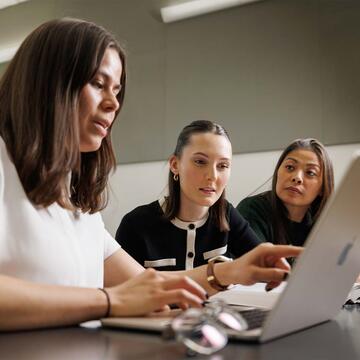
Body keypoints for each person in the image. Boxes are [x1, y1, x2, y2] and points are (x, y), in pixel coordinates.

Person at [0, 18, 302, 331]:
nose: (114, 103)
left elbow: (148, 286)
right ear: (48, 81)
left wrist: (230, 272)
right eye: (99, 84)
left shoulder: (76, 200)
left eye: (117, 90)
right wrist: (109, 301)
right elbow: (123, 296)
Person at [116, 120, 261, 271]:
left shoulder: (227, 214)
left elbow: (265, 265)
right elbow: (121, 290)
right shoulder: (135, 224)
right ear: (175, 165)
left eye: (223, 165)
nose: (213, 176)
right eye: (200, 162)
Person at [236, 138, 334, 247]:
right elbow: (256, 262)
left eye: (310, 173)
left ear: (322, 188)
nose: (297, 178)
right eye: (290, 167)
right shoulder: (252, 209)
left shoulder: (323, 224)